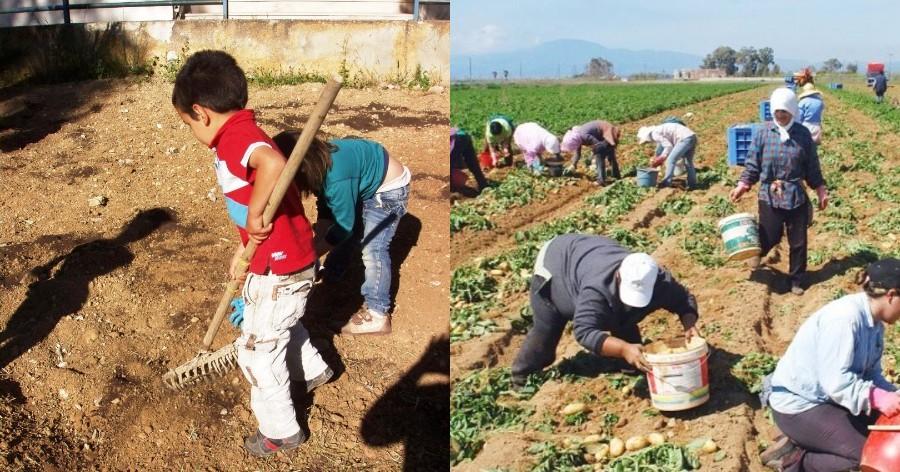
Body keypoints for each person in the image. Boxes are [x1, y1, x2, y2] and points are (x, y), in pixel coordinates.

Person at [172, 50, 332, 456]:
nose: (192, 131)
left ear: (200, 112)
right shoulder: (241, 131)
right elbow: (250, 201)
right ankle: (312, 370)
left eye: (187, 124)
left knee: (258, 352)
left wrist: (258, 212)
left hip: (282, 268)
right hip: (284, 257)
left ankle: (282, 432)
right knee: (280, 323)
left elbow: (273, 164)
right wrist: (244, 248)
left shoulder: (235, 139)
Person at [758, 258, 900, 471]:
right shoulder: (845, 319)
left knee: (884, 429)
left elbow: (871, 374)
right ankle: (793, 460)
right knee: (867, 455)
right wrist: (876, 397)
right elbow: (836, 383)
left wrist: (893, 394)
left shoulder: (875, 323)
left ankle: (810, 441)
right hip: (800, 404)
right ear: (891, 295)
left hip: (828, 398)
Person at [510, 234, 700, 387]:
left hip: (588, 254)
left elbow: (684, 300)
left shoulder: (660, 281)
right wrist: (624, 349)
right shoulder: (596, 289)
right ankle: (522, 375)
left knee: (624, 315)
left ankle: (628, 364)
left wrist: (689, 324)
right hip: (555, 264)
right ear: (618, 277)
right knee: (549, 325)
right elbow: (584, 332)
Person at [272, 129, 410, 336]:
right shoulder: (320, 165)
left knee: (373, 248)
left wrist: (308, 257)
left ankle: (378, 315)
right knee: (341, 231)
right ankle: (333, 274)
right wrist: (315, 246)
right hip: (363, 180)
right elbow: (327, 209)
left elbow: (343, 227)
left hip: (388, 190)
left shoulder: (336, 177)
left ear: (301, 167)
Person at [729, 87, 828, 296]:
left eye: (785, 111)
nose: (781, 115)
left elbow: (812, 166)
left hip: (795, 194)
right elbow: (752, 164)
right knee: (770, 235)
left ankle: (796, 279)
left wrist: (820, 189)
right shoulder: (763, 132)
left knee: (798, 241)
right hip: (769, 194)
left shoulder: (803, 134)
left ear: (793, 110)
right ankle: (758, 252)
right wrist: (743, 185)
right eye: (777, 111)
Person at [636, 121, 698, 189]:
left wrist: (661, 158)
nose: (648, 142)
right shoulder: (658, 130)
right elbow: (666, 146)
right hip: (692, 136)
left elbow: (668, 146)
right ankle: (692, 185)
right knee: (688, 162)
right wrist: (662, 157)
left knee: (670, 160)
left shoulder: (654, 134)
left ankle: (666, 183)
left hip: (684, 138)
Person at [561, 119, 621, 186]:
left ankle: (601, 180)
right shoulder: (577, 137)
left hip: (609, 132)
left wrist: (591, 157)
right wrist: (573, 165)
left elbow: (598, 145)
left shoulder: (584, 135)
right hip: (604, 134)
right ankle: (616, 176)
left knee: (600, 156)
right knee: (610, 155)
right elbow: (578, 153)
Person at [450, 127, 489, 194]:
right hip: (463, 135)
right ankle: (483, 185)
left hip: (457, 139)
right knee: (473, 164)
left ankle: (454, 188)